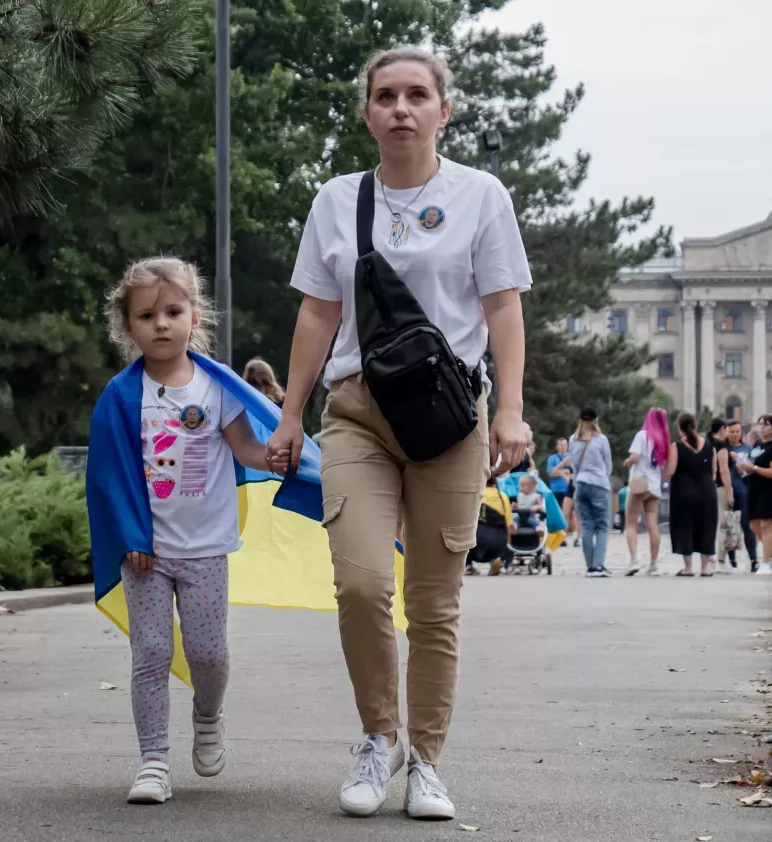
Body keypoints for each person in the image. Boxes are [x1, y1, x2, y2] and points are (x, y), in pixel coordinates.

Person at [265, 45, 533, 822]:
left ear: (444, 111)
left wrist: (510, 410)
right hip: (357, 413)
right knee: (359, 584)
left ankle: (427, 761)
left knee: (434, 601)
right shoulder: (336, 201)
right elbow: (317, 311)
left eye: (418, 95)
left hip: (451, 421)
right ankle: (378, 738)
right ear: (367, 112)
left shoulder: (481, 196)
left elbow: (503, 307)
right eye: (386, 95)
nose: (402, 108)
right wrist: (289, 414)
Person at [91, 257, 275, 805]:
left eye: (174, 311)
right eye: (148, 315)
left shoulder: (217, 389)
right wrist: (131, 538)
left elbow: (247, 449)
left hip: (205, 550)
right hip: (145, 552)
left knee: (208, 654)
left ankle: (208, 713)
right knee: (149, 652)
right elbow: (106, 476)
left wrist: (282, 459)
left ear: (195, 317)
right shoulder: (120, 396)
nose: (162, 323)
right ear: (129, 327)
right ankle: (153, 762)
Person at [665, 412, 719, 576]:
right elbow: (714, 472)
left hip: (684, 492)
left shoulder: (676, 447)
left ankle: (688, 568)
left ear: (680, 429)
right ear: (695, 427)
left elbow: (671, 470)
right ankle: (704, 568)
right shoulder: (710, 446)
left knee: (684, 527)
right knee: (707, 527)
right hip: (707, 491)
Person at [570, 406, 616, 577]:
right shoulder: (602, 439)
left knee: (587, 525)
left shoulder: (572, 440)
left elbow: (574, 465)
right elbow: (608, 465)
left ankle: (590, 566)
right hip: (599, 484)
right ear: (596, 421)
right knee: (603, 526)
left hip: (581, 484)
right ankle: (598, 565)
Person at [623, 407, 669, 575]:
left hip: (639, 484)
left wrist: (627, 462)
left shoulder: (642, 435)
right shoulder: (663, 440)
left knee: (630, 523)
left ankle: (635, 560)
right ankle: (654, 564)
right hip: (654, 486)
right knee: (652, 525)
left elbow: (635, 457)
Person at [738, 414, 772, 568]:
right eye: (760, 424)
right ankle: (771, 555)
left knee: (766, 525)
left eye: (766, 425)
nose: (762, 427)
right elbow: (751, 462)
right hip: (754, 489)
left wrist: (755, 468)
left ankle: (765, 563)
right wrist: (744, 466)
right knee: (753, 525)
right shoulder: (758, 445)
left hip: (769, 490)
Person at [707, 418, 741, 569]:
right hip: (720, 487)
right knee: (724, 523)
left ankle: (708, 559)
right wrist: (729, 491)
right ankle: (720, 560)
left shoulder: (706, 443)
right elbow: (724, 470)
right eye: (727, 429)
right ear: (722, 429)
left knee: (711, 524)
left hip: (706, 486)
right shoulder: (721, 445)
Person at [724, 419, 758, 570]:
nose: (735, 434)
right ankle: (732, 560)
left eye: (737, 431)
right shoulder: (723, 448)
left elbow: (755, 467)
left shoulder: (748, 447)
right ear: (727, 432)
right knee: (730, 526)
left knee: (746, 525)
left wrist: (746, 467)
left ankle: (753, 559)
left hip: (744, 490)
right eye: (732, 431)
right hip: (728, 490)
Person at [472, 475, 514, 577]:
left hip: (476, 540)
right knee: (499, 549)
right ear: (495, 482)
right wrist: (507, 543)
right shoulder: (502, 496)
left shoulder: (475, 495)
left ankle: (468, 565)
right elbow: (509, 525)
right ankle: (496, 559)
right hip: (497, 539)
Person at [547, 437, 579, 543]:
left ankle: (576, 536)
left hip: (570, 488)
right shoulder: (552, 458)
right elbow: (551, 474)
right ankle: (562, 537)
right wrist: (564, 471)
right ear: (557, 446)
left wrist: (562, 472)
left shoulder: (572, 457)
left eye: (565, 444)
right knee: (561, 514)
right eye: (560, 444)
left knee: (574, 513)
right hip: (557, 489)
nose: (563, 446)